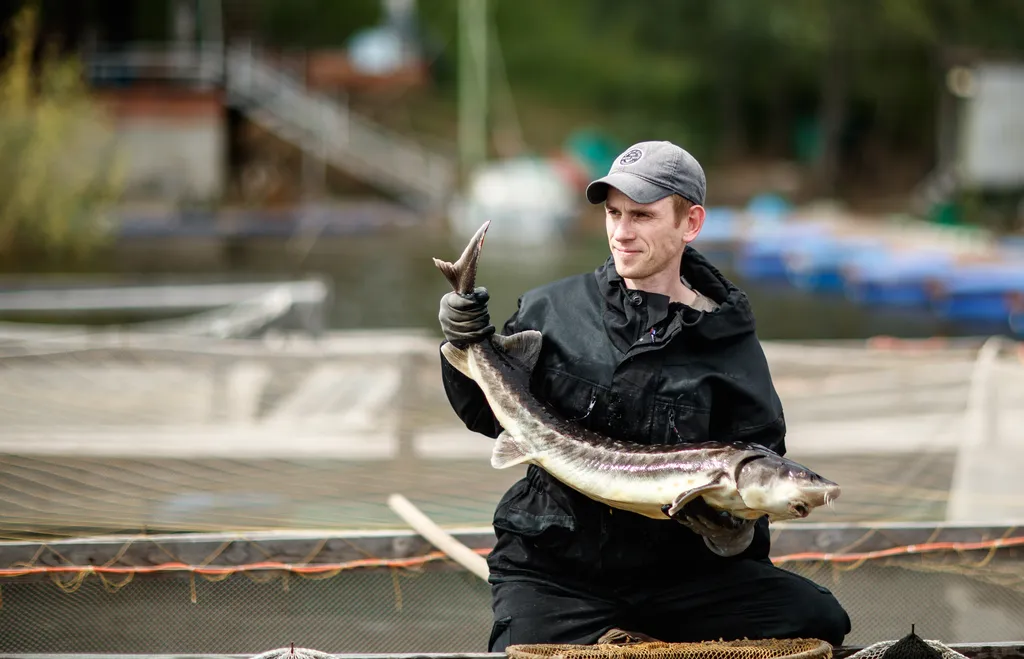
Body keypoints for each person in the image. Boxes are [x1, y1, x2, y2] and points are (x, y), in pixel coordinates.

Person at [437, 141, 851, 651]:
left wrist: (728, 529)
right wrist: (461, 344)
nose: (621, 232)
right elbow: (484, 412)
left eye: (642, 215)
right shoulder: (553, 308)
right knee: (529, 650)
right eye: (613, 214)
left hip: (682, 577)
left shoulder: (731, 345)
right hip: (558, 568)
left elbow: (759, 460)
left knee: (817, 619)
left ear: (690, 223)